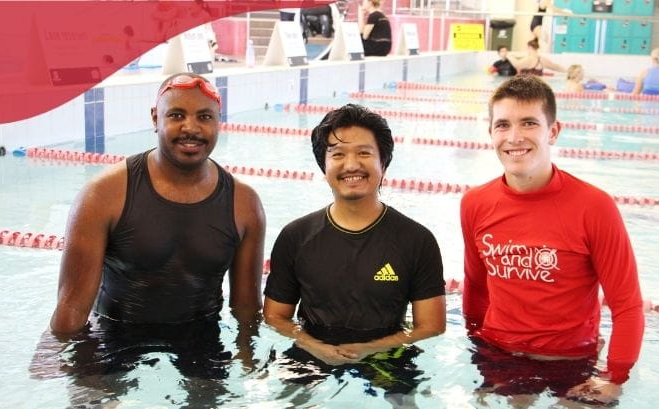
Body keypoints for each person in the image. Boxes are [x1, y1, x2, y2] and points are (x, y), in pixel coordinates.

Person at [46, 72, 266, 405]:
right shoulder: (103, 195)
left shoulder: (244, 204)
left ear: (219, 123)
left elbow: (247, 306)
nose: (191, 128)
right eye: (176, 115)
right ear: (155, 118)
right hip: (114, 333)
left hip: (201, 336)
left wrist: (249, 363)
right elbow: (72, 308)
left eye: (204, 117)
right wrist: (73, 371)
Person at [461, 76, 644, 404]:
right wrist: (475, 344)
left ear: (553, 131)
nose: (514, 137)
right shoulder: (475, 203)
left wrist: (614, 377)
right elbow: (476, 284)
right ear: (491, 132)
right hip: (500, 354)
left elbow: (627, 306)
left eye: (529, 123)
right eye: (502, 125)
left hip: (572, 362)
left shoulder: (594, 207)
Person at [263, 103, 445, 399]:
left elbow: (432, 326)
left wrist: (368, 349)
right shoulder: (296, 236)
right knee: (290, 402)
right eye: (337, 154)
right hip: (312, 348)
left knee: (407, 404)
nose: (351, 165)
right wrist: (315, 346)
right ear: (324, 166)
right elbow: (275, 316)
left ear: (383, 163)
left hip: (386, 351)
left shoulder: (416, 240)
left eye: (364, 153)